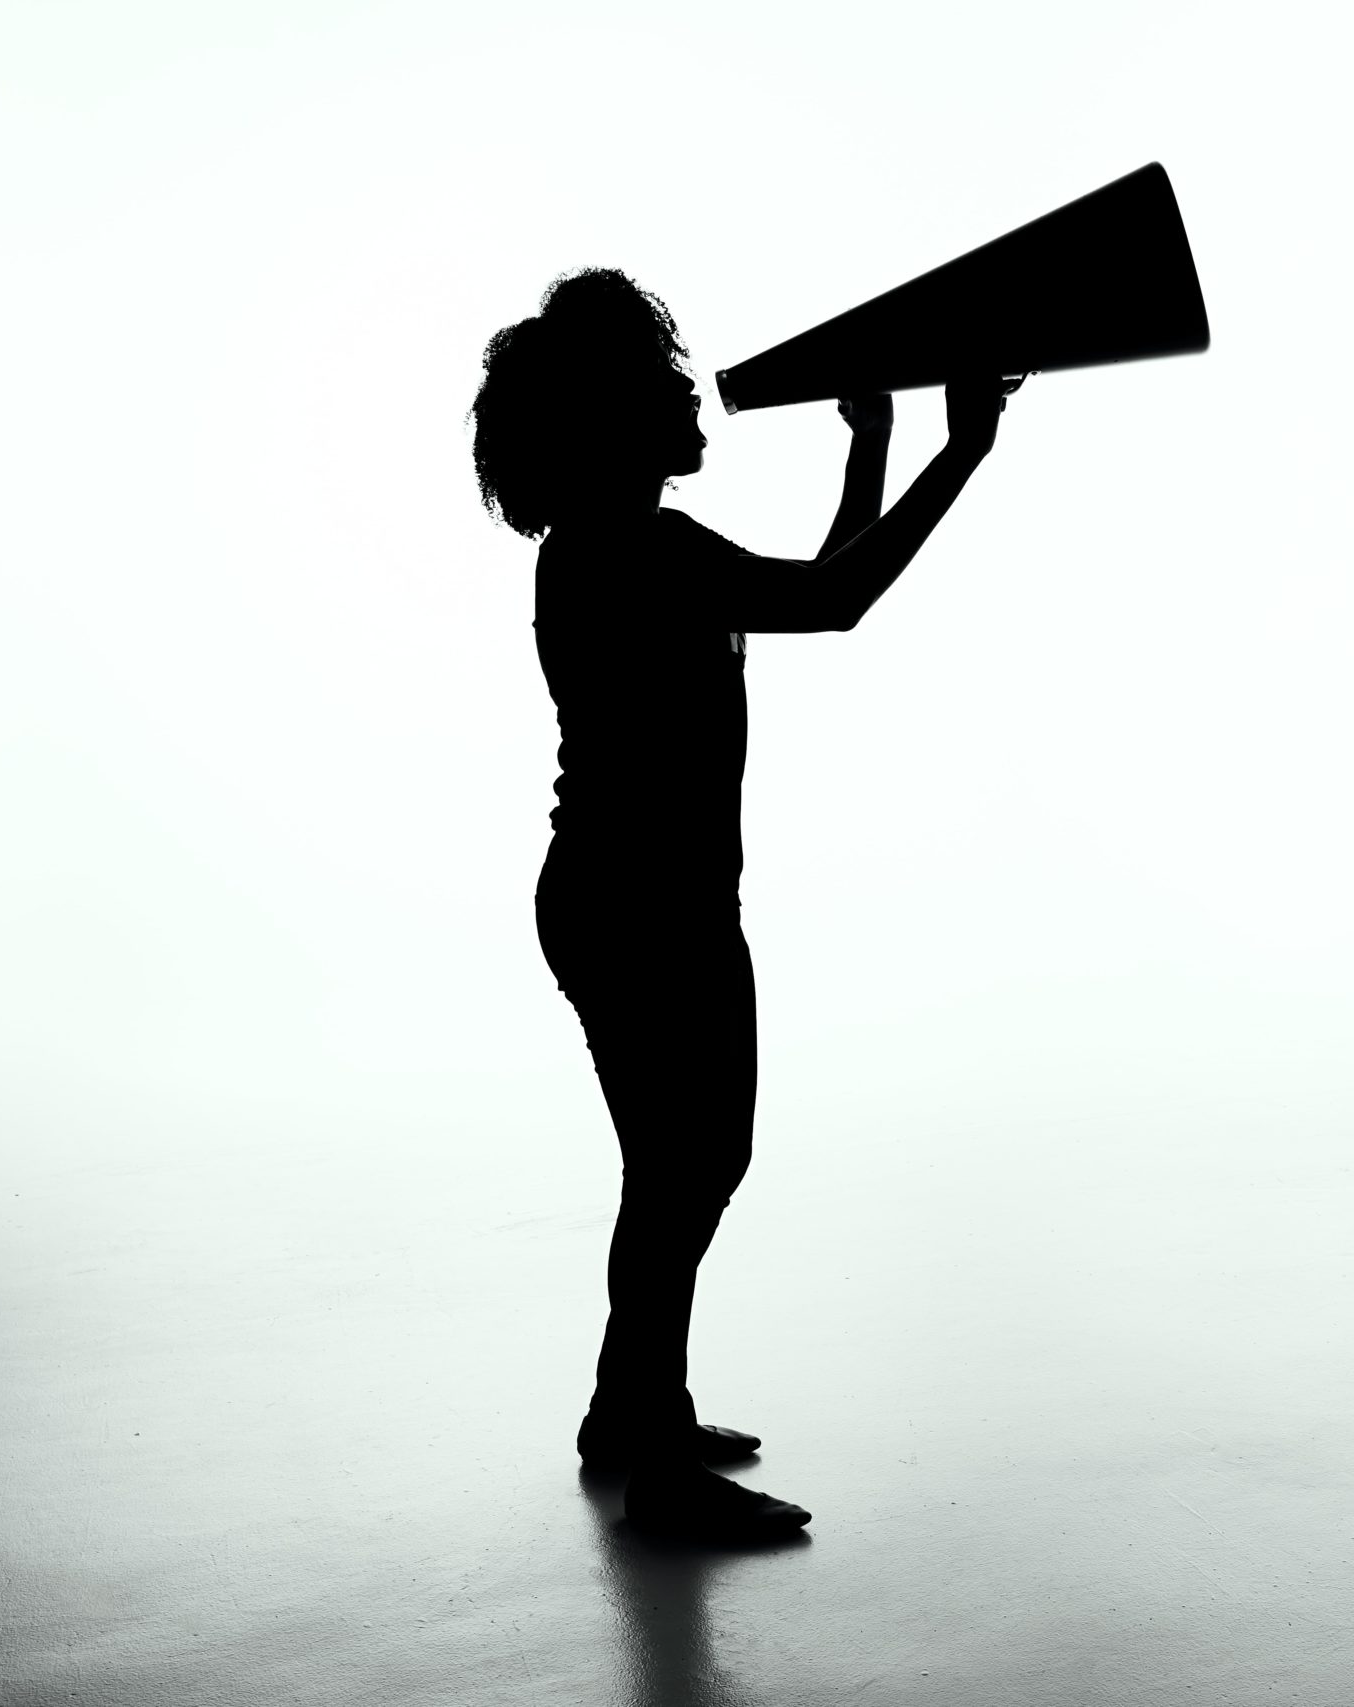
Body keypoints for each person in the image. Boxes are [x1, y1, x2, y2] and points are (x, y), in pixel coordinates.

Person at [470, 268, 1005, 1541]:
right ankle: (652, 1463)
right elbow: (837, 601)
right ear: (613, 426)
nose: (694, 397)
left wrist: (873, 443)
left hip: (647, 900)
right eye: (666, 385)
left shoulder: (626, 547)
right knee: (679, 1172)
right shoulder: (634, 552)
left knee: (691, 1168)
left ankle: (628, 1410)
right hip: (638, 906)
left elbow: (819, 576)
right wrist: (962, 449)